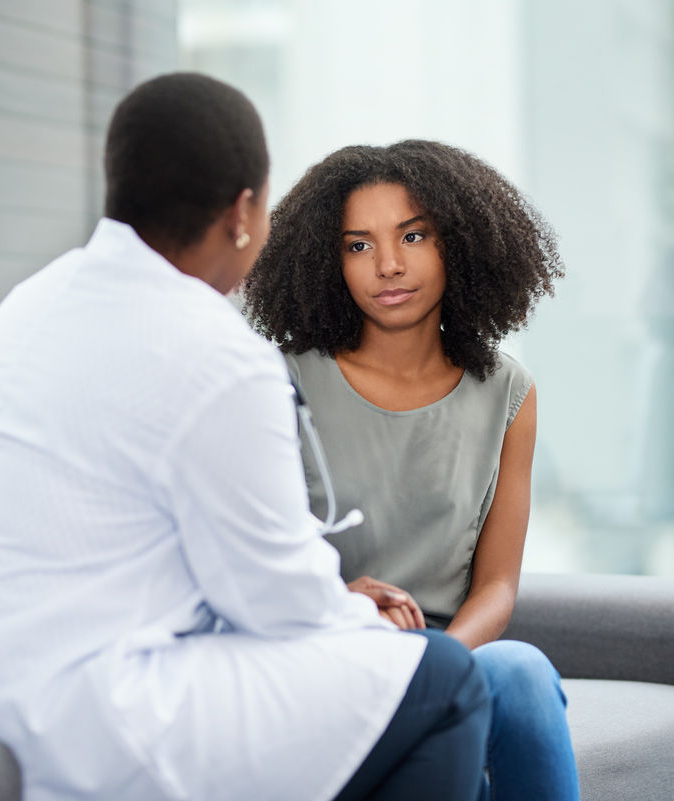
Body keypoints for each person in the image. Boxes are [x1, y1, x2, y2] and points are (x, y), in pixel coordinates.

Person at [0, 74, 491, 801]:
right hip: (80, 715)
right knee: (442, 680)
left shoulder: (31, 303)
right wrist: (354, 613)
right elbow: (275, 603)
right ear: (242, 212)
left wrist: (329, 602)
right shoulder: (216, 352)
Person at [242, 140, 579, 801]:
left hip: (454, 648)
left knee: (522, 674)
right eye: (358, 245)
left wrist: (444, 663)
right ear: (328, 260)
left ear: (456, 242)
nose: (389, 265)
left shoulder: (508, 393)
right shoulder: (279, 382)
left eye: (413, 235)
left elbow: (497, 587)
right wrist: (341, 606)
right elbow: (253, 565)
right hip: (330, 646)